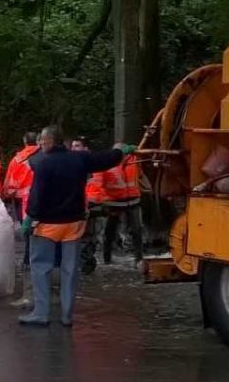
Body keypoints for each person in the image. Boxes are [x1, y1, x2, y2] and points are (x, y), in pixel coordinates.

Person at [19, 126, 132, 327]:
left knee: (41, 267)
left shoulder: (44, 164)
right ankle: (67, 315)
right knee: (70, 270)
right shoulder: (79, 158)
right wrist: (120, 152)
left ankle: (41, 313)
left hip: (47, 225)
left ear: (50, 142)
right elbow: (104, 160)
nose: (41, 146)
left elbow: (37, 195)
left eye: (43, 142)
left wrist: (29, 219)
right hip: (73, 224)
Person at [3, 131, 40, 267]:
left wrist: (6, 195)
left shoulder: (17, 159)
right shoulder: (44, 156)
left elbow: (9, 182)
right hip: (41, 197)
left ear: (24, 141)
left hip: (21, 200)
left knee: (26, 230)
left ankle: (27, 259)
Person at [100, 152, 144, 265]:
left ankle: (139, 258)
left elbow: (139, 175)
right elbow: (101, 183)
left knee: (136, 231)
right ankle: (107, 258)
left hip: (132, 200)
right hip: (115, 202)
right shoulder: (107, 162)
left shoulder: (134, 161)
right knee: (110, 231)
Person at [71, 136, 105, 275]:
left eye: (77, 146)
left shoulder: (93, 166)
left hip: (91, 206)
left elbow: (96, 188)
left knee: (87, 239)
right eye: (72, 146)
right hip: (79, 207)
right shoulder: (73, 164)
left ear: (86, 149)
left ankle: (85, 268)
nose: (73, 149)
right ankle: (83, 267)